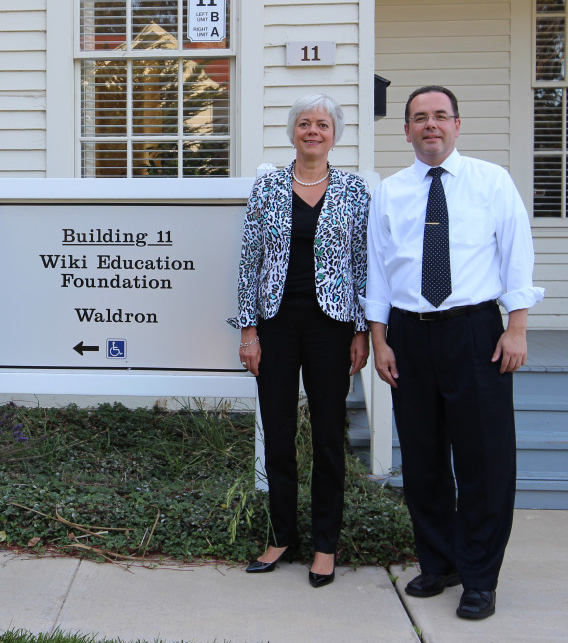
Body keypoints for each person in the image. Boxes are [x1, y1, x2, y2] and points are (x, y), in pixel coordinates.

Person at [364, 85, 544, 620]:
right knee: (422, 458)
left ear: (457, 125)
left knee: (483, 459)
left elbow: (517, 254)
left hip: (476, 332)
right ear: (406, 130)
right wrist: (380, 339)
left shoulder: (491, 182)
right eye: (419, 118)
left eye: (440, 116)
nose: (430, 126)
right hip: (408, 335)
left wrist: (516, 329)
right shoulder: (390, 191)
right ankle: (438, 562)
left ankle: (479, 577)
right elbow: (377, 267)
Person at [228, 93, 370, 588]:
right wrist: (248, 330)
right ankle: (281, 535)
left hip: (332, 327)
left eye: (323, 124)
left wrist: (362, 330)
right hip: (276, 326)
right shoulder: (267, 187)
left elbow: (361, 264)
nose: (313, 131)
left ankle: (325, 545)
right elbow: (249, 263)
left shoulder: (354, 191)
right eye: (305, 123)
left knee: (330, 437)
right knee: (279, 433)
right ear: (292, 132)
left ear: (336, 134)